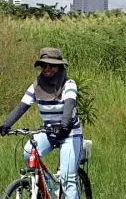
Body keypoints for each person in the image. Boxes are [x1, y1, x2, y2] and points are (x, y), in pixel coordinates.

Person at [0, 47, 83, 199]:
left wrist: (64, 123)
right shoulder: (36, 85)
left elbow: (70, 103)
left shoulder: (68, 84)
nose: (47, 69)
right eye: (44, 65)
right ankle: (47, 188)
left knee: (68, 180)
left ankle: (64, 188)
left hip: (69, 133)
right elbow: (22, 106)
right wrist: (6, 124)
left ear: (59, 67)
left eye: (51, 65)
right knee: (28, 154)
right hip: (48, 132)